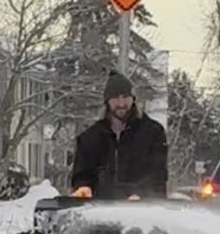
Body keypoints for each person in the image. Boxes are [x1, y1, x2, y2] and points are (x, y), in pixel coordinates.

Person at [69, 70, 169, 201]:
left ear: (133, 99)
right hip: (100, 212)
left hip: (144, 212)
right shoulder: (89, 138)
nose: (121, 104)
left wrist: (141, 193)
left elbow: (158, 173)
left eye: (125, 97)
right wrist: (84, 187)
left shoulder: (153, 132)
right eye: (116, 98)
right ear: (107, 101)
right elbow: (82, 174)